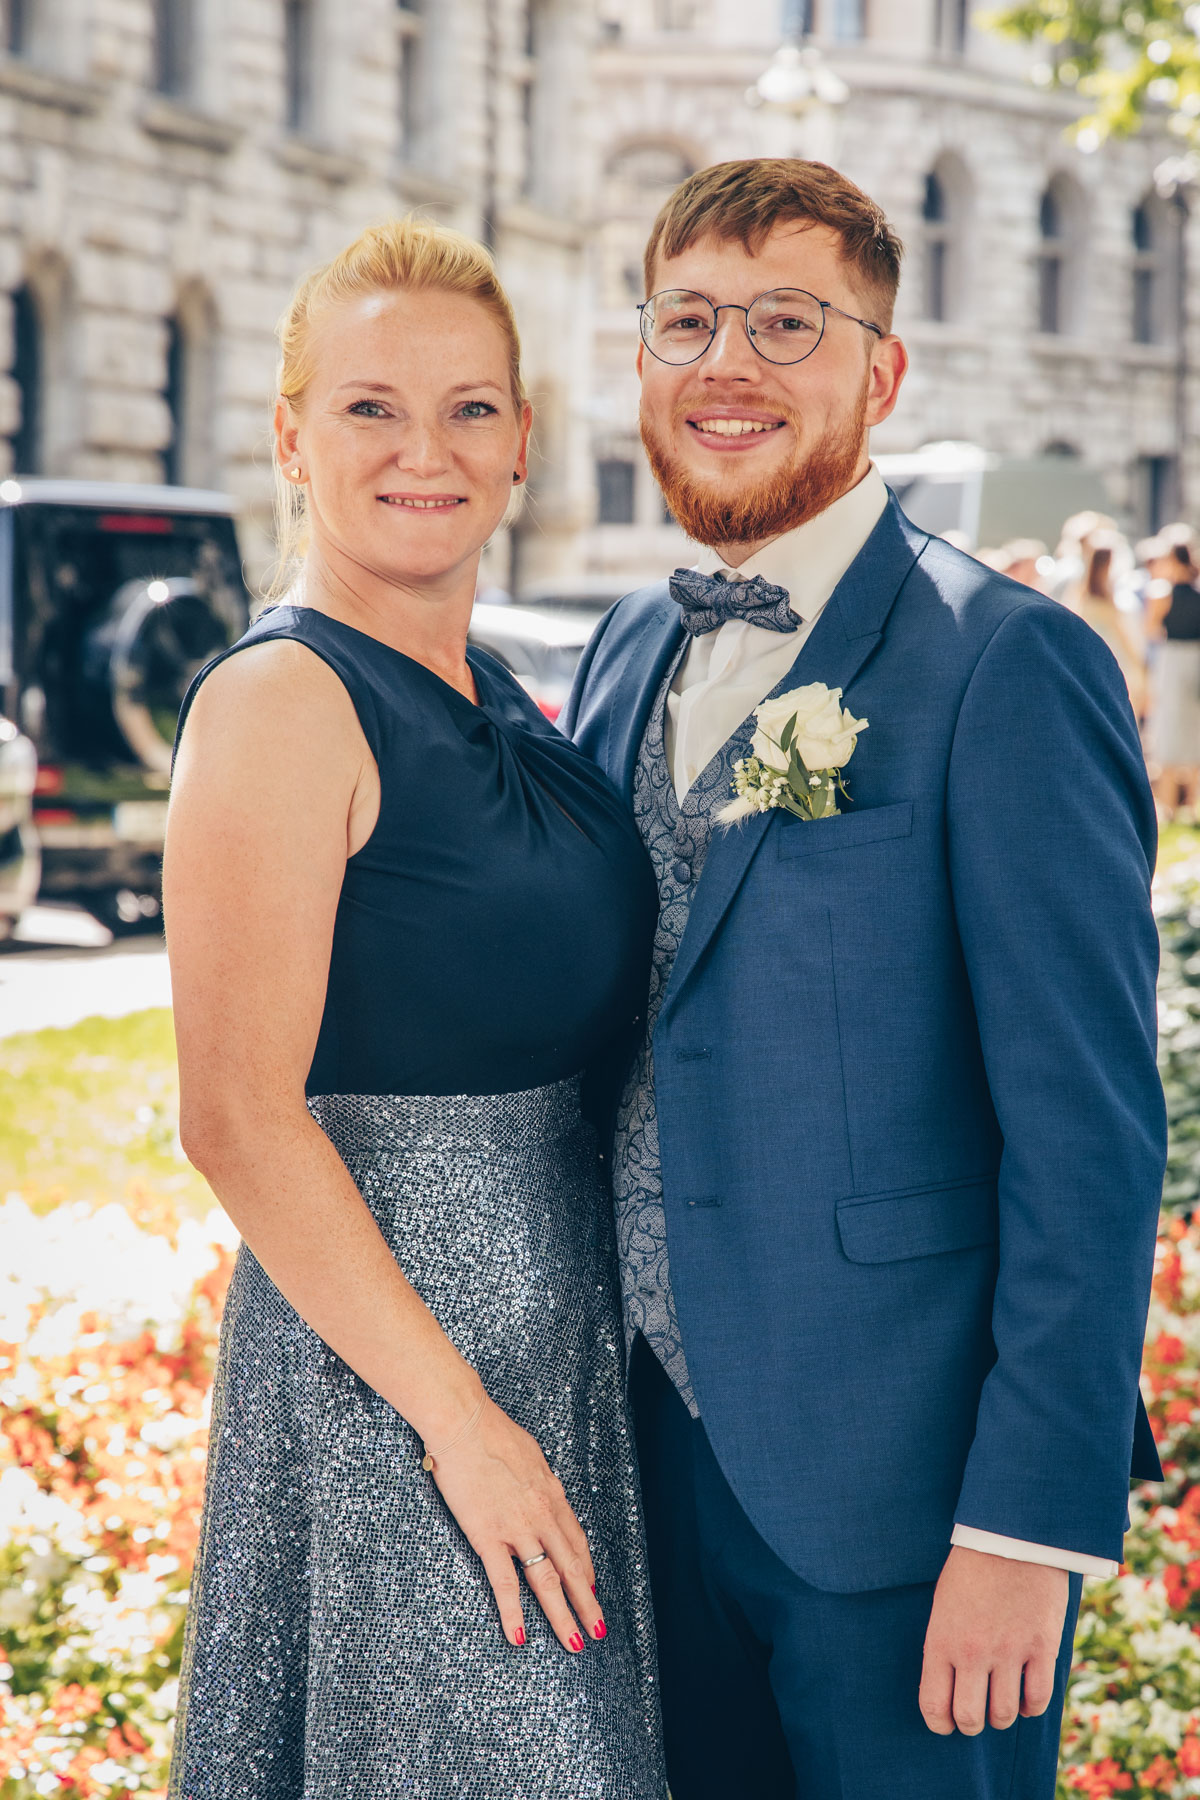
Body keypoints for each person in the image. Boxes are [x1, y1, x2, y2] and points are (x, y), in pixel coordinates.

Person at [563, 158, 1165, 1800]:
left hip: (904, 1511)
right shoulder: (628, 647)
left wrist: (1025, 1527)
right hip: (639, 1475)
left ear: (880, 372)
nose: (724, 366)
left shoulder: (1007, 661)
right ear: (641, 360)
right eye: (685, 322)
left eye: (783, 323)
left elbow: (1093, 1136)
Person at [164, 217, 665, 1797]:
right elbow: (236, 1118)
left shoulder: (497, 693)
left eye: (468, 409)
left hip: (566, 1350)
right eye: (373, 406)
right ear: (292, 437)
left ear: (522, 444)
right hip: (399, 1381)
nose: (423, 451)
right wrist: (462, 1423)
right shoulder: (280, 700)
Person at [1146, 529, 1200, 817]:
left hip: (1174, 661)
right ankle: (1190, 804)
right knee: (1193, 727)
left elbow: (1152, 630)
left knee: (1170, 727)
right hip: (1194, 661)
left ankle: (1168, 804)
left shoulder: (1162, 593)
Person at [1069, 530, 1147, 720]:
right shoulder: (1101, 594)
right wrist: (1139, 663)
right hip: (1112, 655)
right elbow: (1119, 632)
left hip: (1095, 655)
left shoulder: (1083, 591)